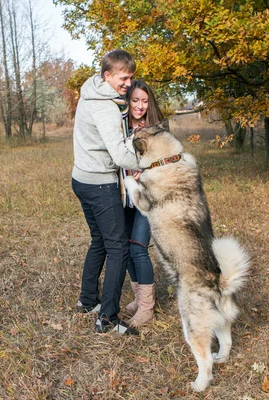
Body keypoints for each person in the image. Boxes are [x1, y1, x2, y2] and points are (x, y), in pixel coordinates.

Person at [71, 50, 140, 336]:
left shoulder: (91, 92)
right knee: (118, 246)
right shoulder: (105, 107)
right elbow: (121, 154)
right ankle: (107, 318)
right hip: (99, 183)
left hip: (81, 179)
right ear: (107, 75)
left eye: (131, 78)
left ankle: (88, 301)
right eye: (123, 78)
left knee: (99, 239)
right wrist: (149, 163)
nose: (128, 83)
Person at [121, 79, 166, 327]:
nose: (139, 106)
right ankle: (139, 298)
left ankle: (147, 308)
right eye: (135, 100)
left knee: (139, 246)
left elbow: (167, 162)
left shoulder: (158, 128)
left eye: (144, 101)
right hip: (124, 194)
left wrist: (145, 170)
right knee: (126, 247)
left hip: (147, 193)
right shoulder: (120, 125)